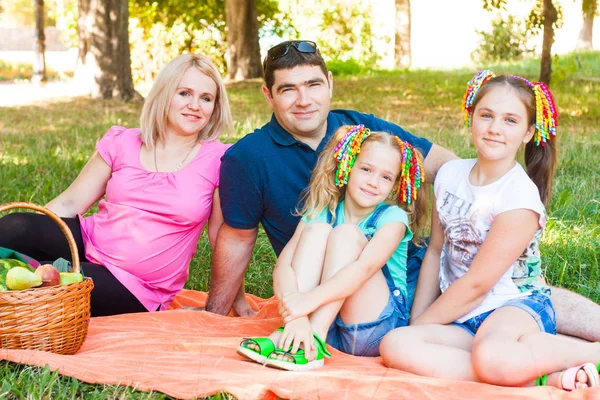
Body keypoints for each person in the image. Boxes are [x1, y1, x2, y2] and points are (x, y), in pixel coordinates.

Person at [206, 40, 600, 343]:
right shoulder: (249, 157)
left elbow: (446, 167)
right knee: (496, 310)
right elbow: (236, 239)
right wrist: (214, 317)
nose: (305, 99)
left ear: (330, 83)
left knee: (518, 292)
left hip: (414, 275)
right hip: (353, 292)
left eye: (313, 84)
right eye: (289, 89)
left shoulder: (361, 128)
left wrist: (499, 211)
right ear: (268, 95)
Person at [379, 71, 600, 391]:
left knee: (493, 356)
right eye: (486, 116)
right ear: (471, 119)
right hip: (464, 316)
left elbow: (478, 284)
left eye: (510, 120)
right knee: (397, 344)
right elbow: (437, 251)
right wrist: (417, 323)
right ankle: (537, 374)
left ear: (528, 132)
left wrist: (428, 324)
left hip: (514, 306)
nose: (495, 128)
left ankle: (592, 352)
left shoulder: (518, 196)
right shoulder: (450, 175)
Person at [0, 53, 233, 317]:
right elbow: (69, 203)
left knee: (44, 280)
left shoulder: (220, 160)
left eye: (206, 98)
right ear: (164, 94)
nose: (195, 106)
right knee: (15, 225)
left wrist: (222, 304)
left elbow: (222, 239)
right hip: (89, 244)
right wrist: (32, 236)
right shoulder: (123, 141)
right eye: (184, 93)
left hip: (136, 286)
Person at [237, 125, 427, 370]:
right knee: (317, 231)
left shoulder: (392, 219)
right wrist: (296, 318)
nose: (373, 182)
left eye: (386, 177)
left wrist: (307, 301)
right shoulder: (322, 211)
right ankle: (295, 333)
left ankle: (311, 341)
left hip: (370, 329)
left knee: (346, 234)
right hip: (327, 327)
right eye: (366, 169)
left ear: (395, 185)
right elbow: (283, 267)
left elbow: (363, 269)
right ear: (348, 166)